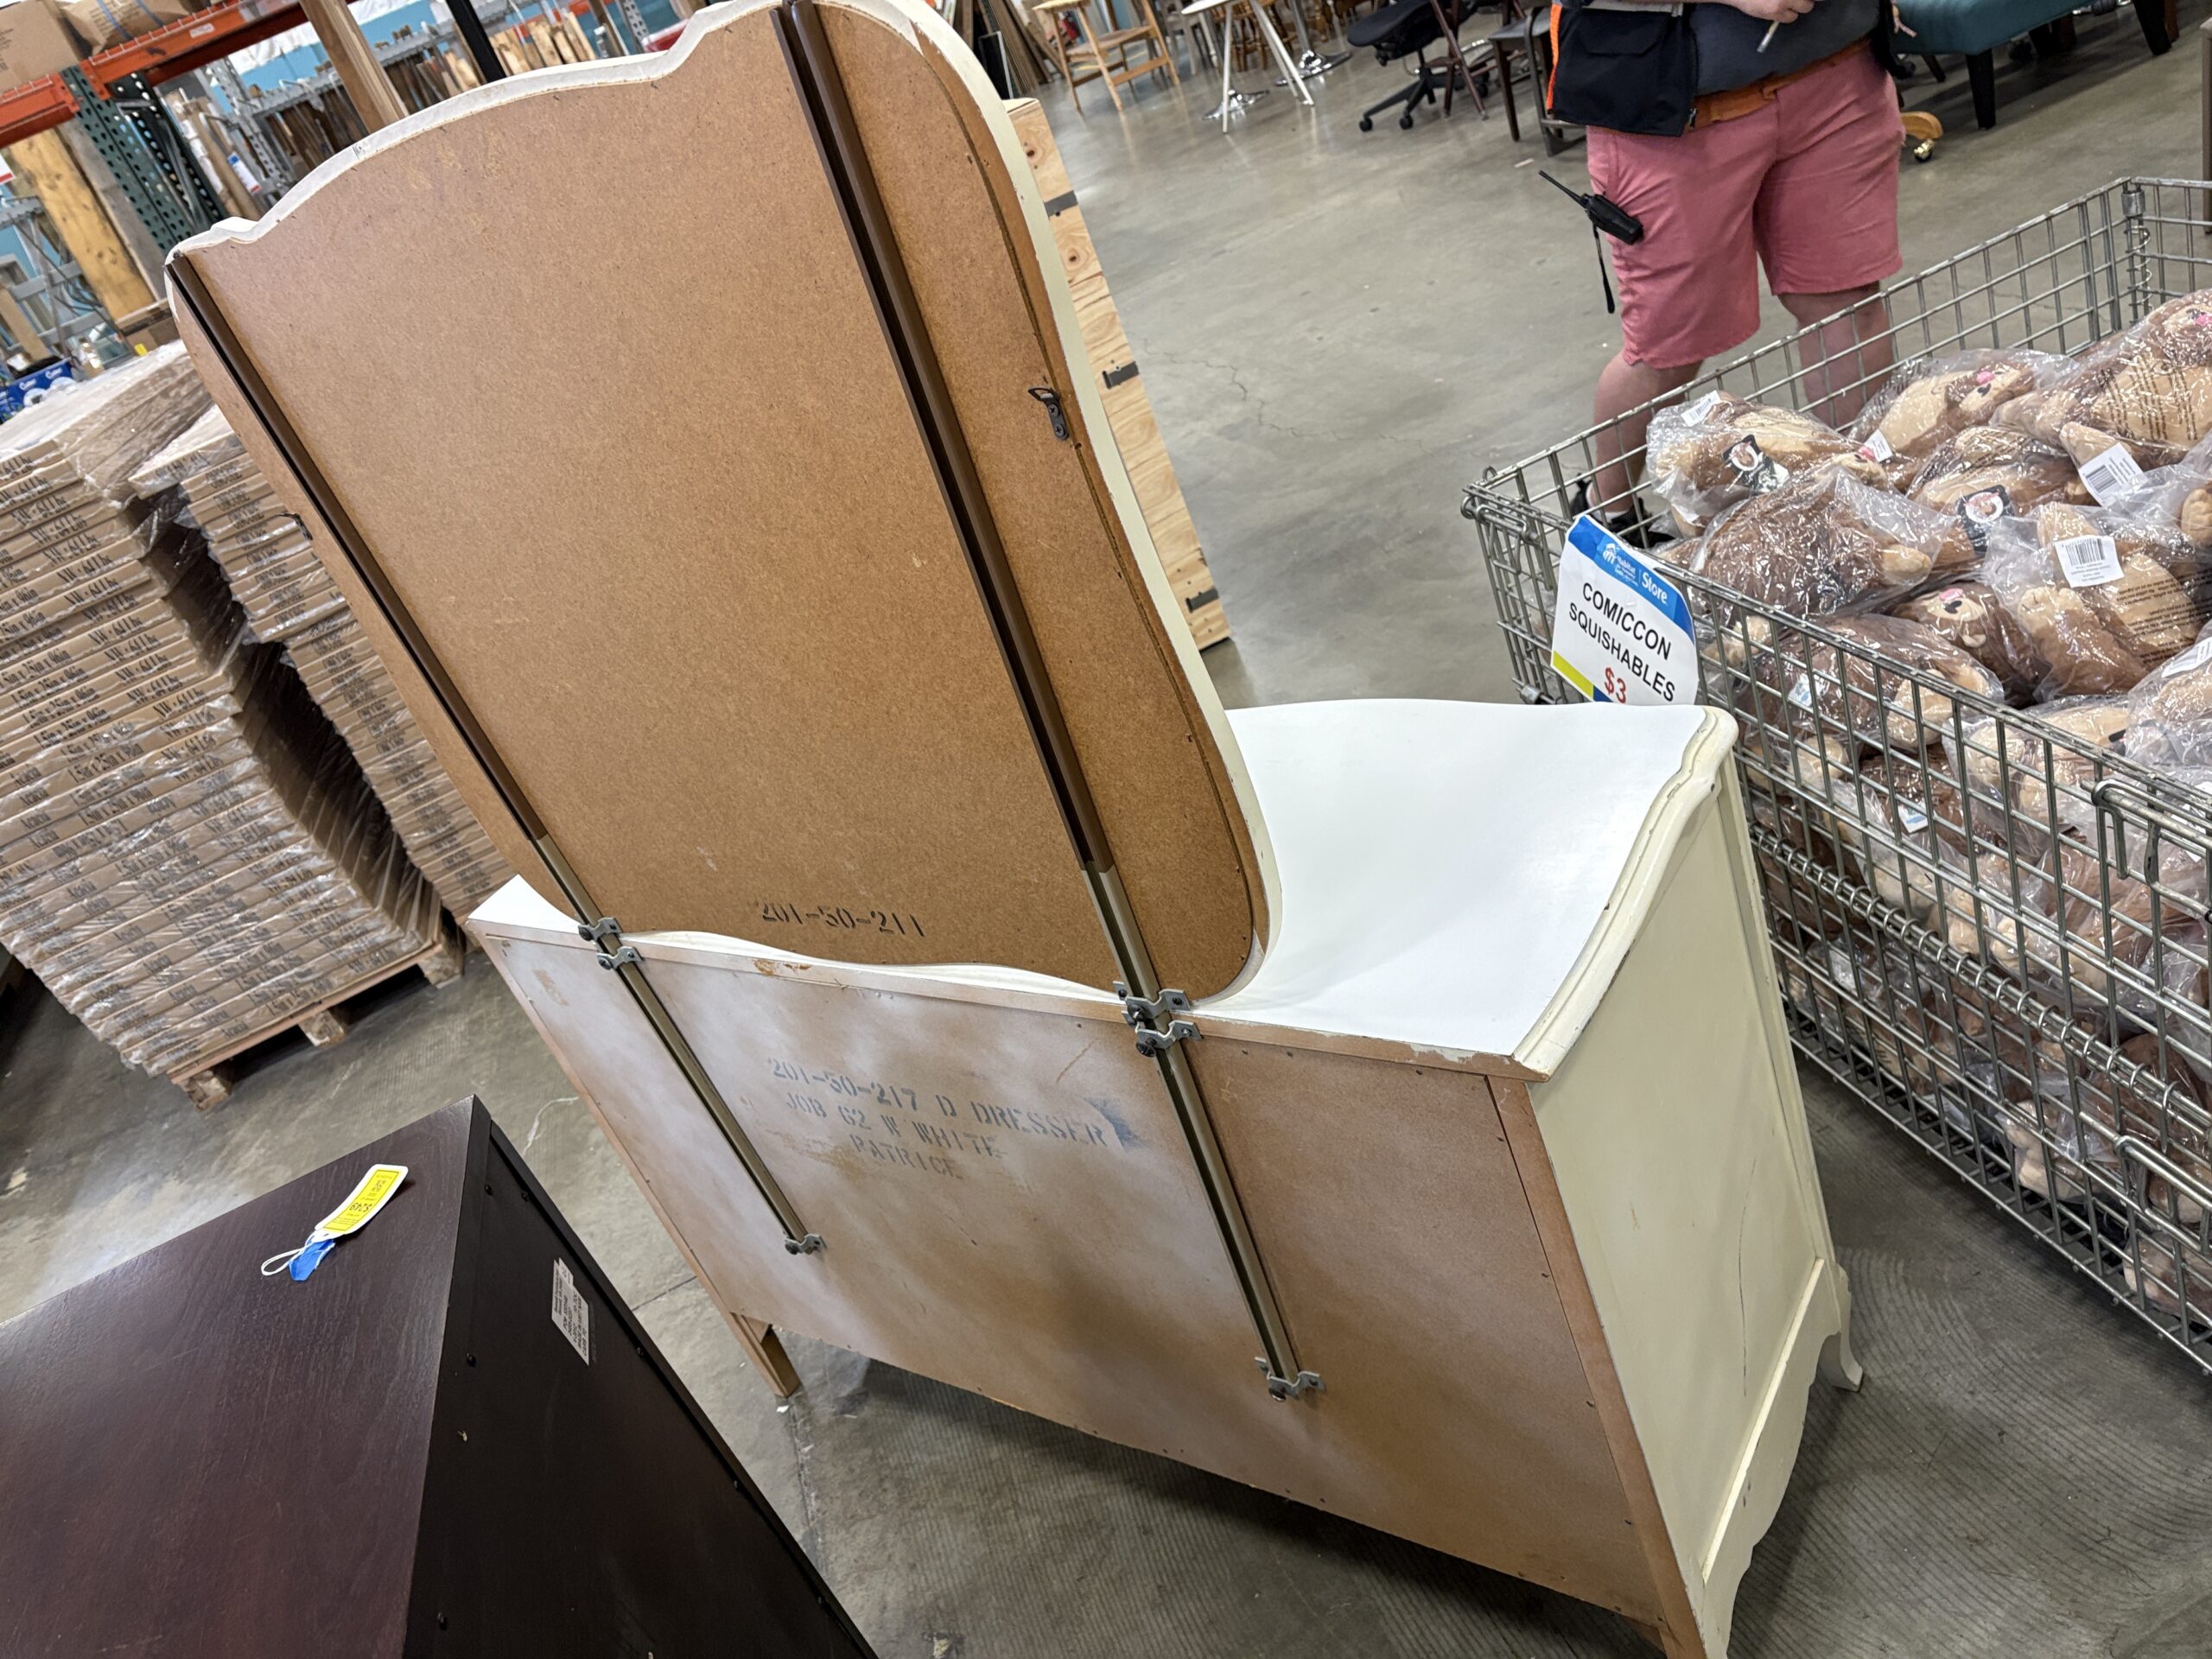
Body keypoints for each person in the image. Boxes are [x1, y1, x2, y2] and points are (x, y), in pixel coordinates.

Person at [1550, 0, 1907, 519]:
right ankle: (1609, 512)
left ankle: (1854, 506)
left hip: (1838, 73)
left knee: (1845, 305)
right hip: (1674, 113)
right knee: (1668, 344)